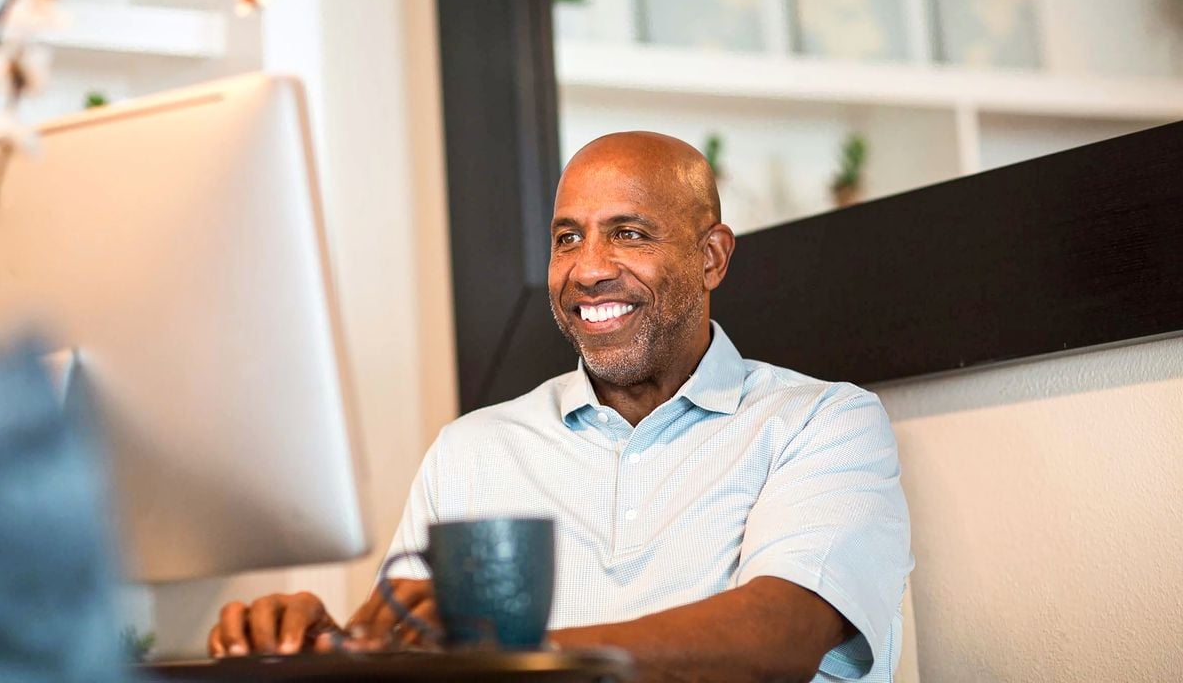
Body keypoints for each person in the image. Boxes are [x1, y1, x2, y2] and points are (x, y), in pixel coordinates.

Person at [208, 131, 912, 683]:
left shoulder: (822, 423)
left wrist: (512, 653)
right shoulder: (472, 449)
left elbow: (778, 639)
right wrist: (319, 645)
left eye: (629, 233)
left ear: (711, 258)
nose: (589, 268)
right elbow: (404, 651)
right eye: (567, 237)